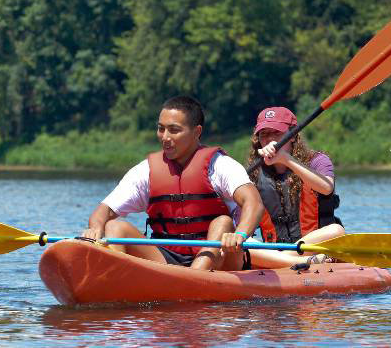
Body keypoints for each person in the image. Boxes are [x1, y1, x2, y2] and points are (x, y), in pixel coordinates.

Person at [82, 96, 263, 271]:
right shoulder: (146, 171)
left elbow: (253, 203)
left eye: (174, 130)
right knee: (114, 227)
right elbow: (104, 211)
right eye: (161, 129)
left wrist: (239, 234)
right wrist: (95, 229)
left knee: (223, 222)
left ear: (197, 132)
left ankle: (194, 277)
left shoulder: (220, 166)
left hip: (220, 258)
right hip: (166, 258)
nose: (165, 137)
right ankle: (116, 281)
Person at [245, 107, 345, 268]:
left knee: (336, 230)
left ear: (292, 136)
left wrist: (286, 159)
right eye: (264, 134)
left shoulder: (318, 161)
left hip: (315, 248)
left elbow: (327, 188)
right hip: (275, 250)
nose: (269, 139)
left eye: (276, 133)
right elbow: (241, 221)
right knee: (235, 237)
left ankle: (276, 261)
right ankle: (293, 262)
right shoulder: (253, 174)